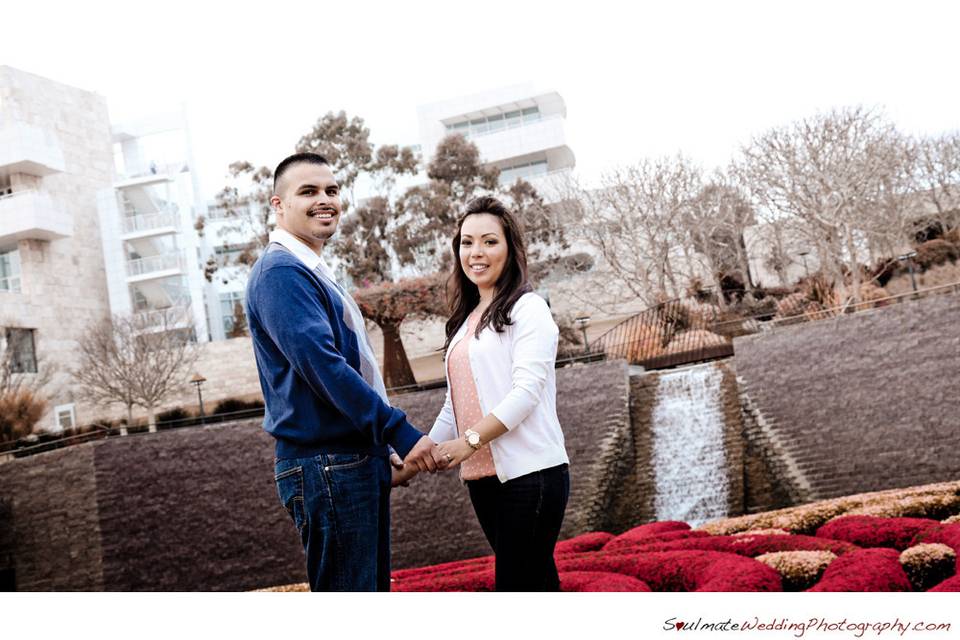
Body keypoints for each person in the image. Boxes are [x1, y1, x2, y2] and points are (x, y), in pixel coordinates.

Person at [245, 152, 443, 591]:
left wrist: (379, 447)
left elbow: (350, 367)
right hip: (326, 464)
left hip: (346, 460)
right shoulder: (281, 273)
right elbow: (324, 368)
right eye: (309, 192)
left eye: (332, 191)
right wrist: (400, 433)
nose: (325, 200)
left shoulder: (311, 270)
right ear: (278, 206)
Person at [395, 195, 570, 591]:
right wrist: (407, 465)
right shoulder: (465, 321)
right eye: (467, 242)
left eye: (490, 241)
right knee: (537, 587)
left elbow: (525, 393)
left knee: (516, 588)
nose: (476, 252)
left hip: (531, 475)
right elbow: (454, 405)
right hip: (483, 480)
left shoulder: (529, 309)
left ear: (510, 248)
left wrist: (468, 442)